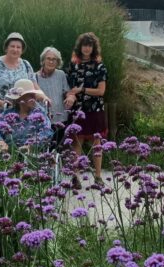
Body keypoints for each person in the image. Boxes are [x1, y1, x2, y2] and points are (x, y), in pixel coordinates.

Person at [67, 32, 108, 188]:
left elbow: (101, 91)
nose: (86, 48)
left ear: (93, 47)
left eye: (89, 45)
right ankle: (75, 177)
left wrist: (82, 90)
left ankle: (98, 177)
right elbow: (69, 88)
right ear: (80, 47)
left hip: (95, 109)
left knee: (97, 143)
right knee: (77, 142)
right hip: (77, 109)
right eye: (84, 45)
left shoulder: (100, 66)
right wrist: (73, 93)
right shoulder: (72, 65)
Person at [0, 32, 48, 116]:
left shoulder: (26, 65)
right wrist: (1, 103)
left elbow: (34, 88)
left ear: (22, 50)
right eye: (12, 46)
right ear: (6, 48)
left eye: (18, 47)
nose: (15, 49)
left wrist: (44, 97)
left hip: (22, 113)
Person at [0, 79, 53, 151]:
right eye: (30, 95)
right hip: (9, 153)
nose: (34, 98)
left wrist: (32, 145)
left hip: (32, 155)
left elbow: (47, 132)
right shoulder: (7, 114)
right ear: (19, 99)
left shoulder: (39, 114)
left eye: (34, 95)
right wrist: (0, 142)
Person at [35, 47, 76, 148]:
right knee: (43, 151)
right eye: (48, 58)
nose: (51, 61)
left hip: (60, 120)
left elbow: (68, 91)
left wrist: (71, 97)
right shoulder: (34, 77)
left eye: (54, 59)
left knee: (58, 151)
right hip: (42, 121)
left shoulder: (61, 74)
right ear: (43, 60)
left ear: (58, 62)